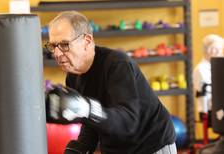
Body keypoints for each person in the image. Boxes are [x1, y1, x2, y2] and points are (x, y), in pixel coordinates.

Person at [45, 11, 177, 154]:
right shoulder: (73, 76)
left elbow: (128, 122)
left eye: (64, 44)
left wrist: (87, 108)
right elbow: (91, 122)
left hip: (151, 144)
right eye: (53, 46)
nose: (57, 54)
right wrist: (79, 148)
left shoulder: (117, 64)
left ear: (87, 41)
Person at [193, 34, 224, 127]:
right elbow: (206, 92)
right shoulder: (200, 69)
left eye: (220, 49)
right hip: (212, 111)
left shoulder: (219, 66)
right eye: (215, 48)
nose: (218, 51)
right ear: (207, 49)